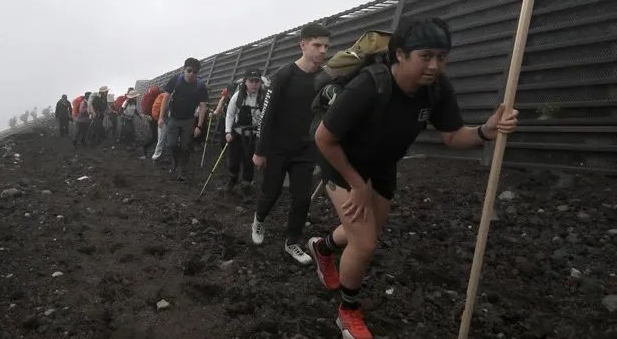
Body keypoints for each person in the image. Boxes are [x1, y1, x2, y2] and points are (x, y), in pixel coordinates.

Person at [308, 18, 519, 339]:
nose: (435, 65)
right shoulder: (369, 85)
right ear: (401, 55)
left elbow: (452, 136)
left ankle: (323, 248)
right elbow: (324, 138)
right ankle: (347, 313)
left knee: (364, 231)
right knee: (364, 243)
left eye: (442, 57)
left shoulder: (436, 90)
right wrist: (357, 184)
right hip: (341, 159)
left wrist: (486, 130)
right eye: (426, 56)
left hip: (381, 163)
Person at [251, 22, 331, 265]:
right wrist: (259, 151)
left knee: (302, 198)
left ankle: (292, 242)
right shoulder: (284, 75)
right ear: (303, 45)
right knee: (271, 193)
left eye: (326, 46)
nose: (322, 51)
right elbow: (267, 115)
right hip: (277, 148)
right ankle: (259, 219)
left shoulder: (325, 77)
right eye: (317, 45)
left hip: (305, 149)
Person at [158, 58, 209, 182]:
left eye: (195, 72)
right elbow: (165, 98)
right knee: (172, 143)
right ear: (184, 69)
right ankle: (175, 163)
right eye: (189, 70)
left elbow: (203, 106)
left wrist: (199, 126)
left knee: (186, 146)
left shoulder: (200, 86)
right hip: (173, 118)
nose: (191, 74)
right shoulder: (176, 80)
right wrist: (160, 117)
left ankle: (182, 168)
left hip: (189, 120)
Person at [222, 69, 266, 193]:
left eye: (257, 81)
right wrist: (227, 132)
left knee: (249, 163)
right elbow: (230, 115)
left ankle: (246, 187)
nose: (254, 84)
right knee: (234, 161)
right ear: (245, 82)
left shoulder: (263, 97)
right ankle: (232, 180)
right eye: (251, 81)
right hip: (237, 135)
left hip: (253, 136)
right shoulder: (238, 96)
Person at [140, 86, 161, 160]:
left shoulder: (147, 96)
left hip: (150, 117)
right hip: (153, 118)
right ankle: (146, 147)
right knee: (155, 136)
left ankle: (150, 148)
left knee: (155, 135)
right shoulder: (153, 98)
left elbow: (144, 108)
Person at [151, 91, 170, 163]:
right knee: (162, 139)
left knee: (162, 139)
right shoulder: (167, 97)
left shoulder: (163, 96)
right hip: (164, 120)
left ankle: (161, 156)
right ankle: (156, 157)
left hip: (162, 119)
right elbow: (167, 109)